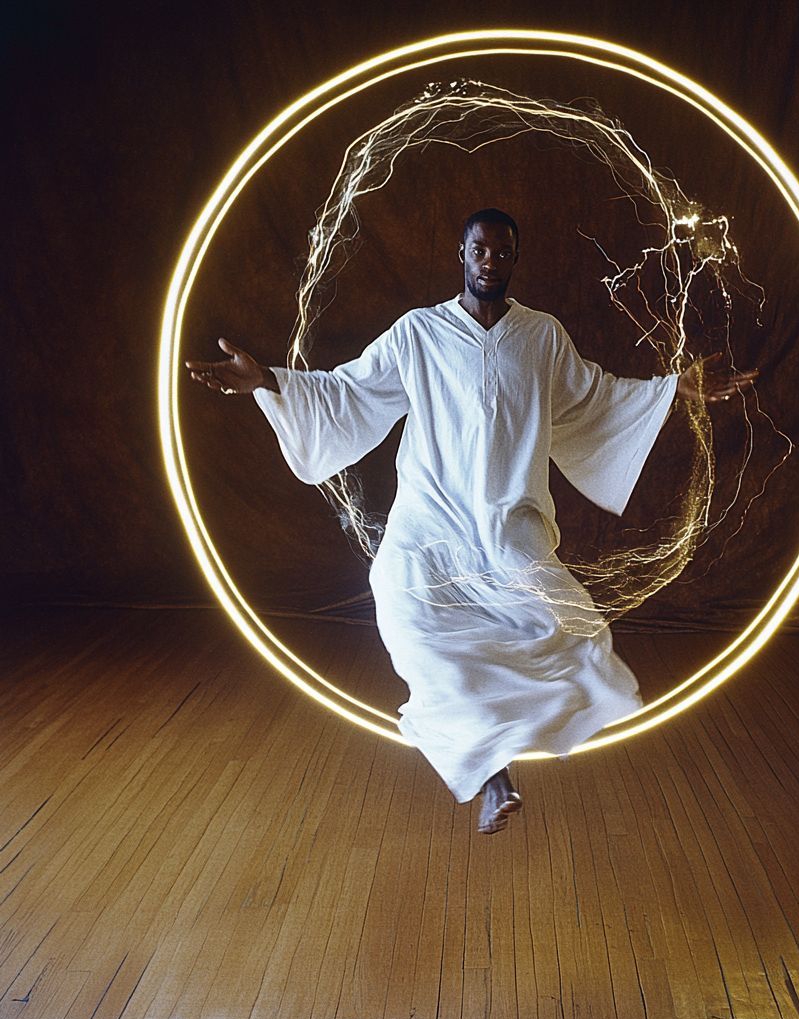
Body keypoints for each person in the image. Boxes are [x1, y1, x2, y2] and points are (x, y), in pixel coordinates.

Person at [187, 209, 756, 834]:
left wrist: (676, 389)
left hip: (512, 533)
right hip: (427, 534)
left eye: (503, 252)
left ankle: (499, 753)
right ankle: (493, 778)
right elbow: (350, 390)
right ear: (461, 254)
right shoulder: (417, 335)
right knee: (422, 640)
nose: (490, 261)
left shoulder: (542, 337)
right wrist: (269, 380)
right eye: (479, 249)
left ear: (514, 260)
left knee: (572, 640)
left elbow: (594, 397)